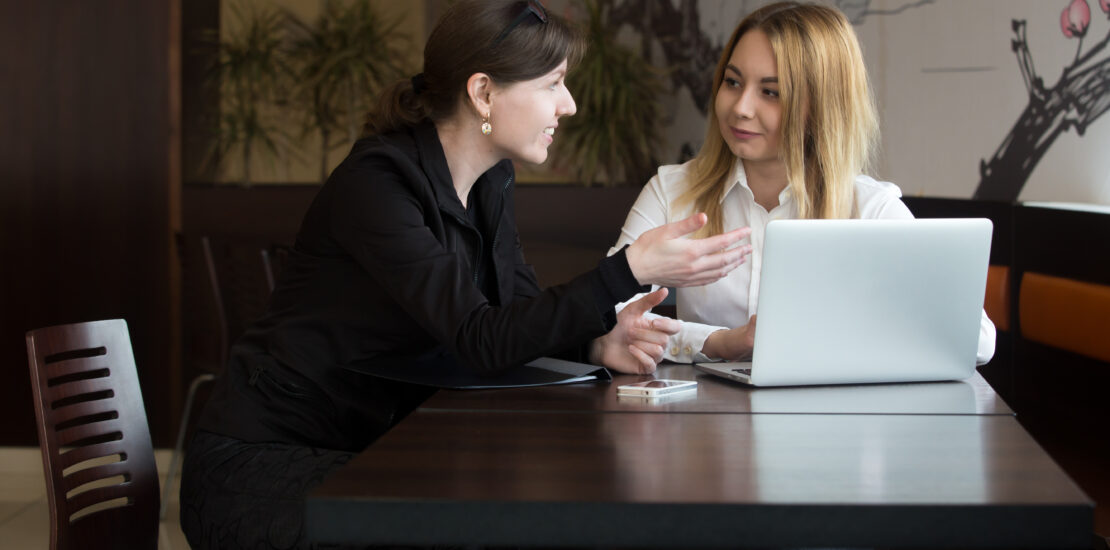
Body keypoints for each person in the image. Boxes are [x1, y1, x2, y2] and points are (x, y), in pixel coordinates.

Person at [179, 1, 752, 548]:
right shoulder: (377, 184)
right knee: (494, 526)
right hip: (268, 464)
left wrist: (598, 340)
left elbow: (515, 314)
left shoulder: (489, 180)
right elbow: (480, 337)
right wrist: (627, 270)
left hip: (374, 446)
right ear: (483, 93)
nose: (569, 104)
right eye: (552, 84)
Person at [603, 1, 996, 365]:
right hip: (705, 427)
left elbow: (977, 340)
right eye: (733, 82)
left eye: (771, 92)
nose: (740, 108)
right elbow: (610, 315)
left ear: (822, 106)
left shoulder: (871, 209)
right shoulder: (672, 191)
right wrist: (717, 342)